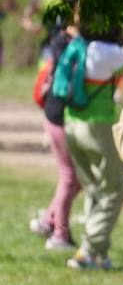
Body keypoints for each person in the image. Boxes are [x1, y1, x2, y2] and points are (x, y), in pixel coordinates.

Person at [55, 25, 123, 271]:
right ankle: (89, 249)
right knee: (116, 188)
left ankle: (96, 254)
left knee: (94, 187)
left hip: (71, 123)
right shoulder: (109, 50)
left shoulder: (79, 45)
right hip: (98, 126)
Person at [27, 22, 78, 253]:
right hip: (58, 116)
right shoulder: (69, 43)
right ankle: (60, 234)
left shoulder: (62, 41)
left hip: (55, 114)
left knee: (74, 177)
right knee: (70, 176)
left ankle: (49, 220)